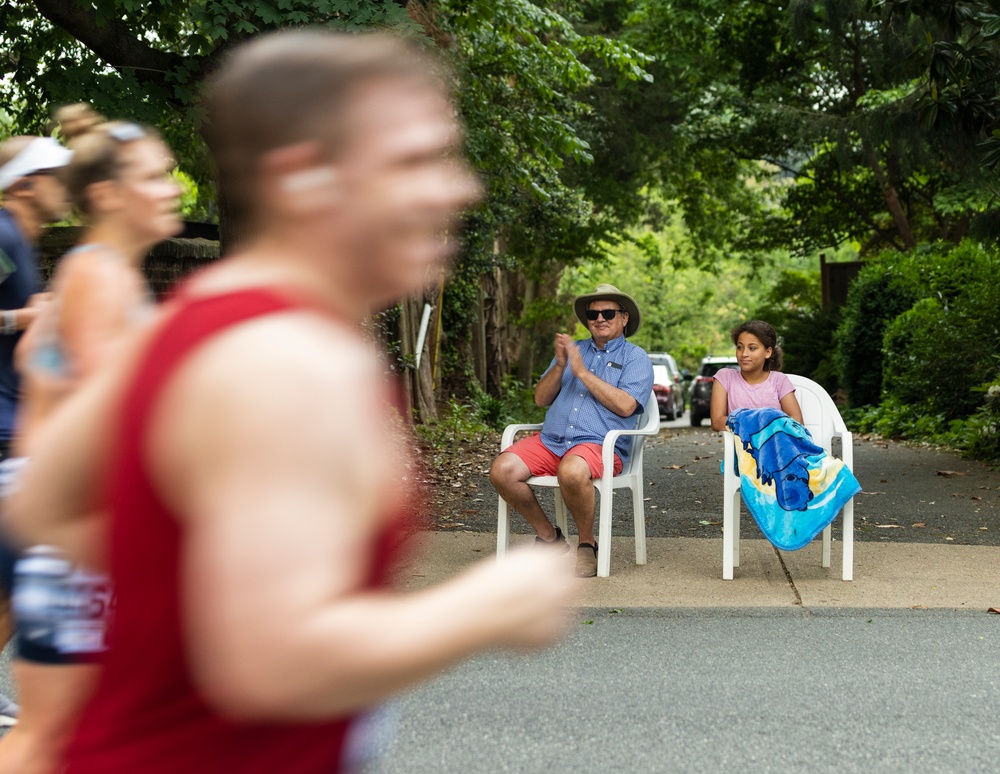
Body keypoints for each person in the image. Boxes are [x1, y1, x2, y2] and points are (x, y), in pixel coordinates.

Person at [6, 30, 577, 773]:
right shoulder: (294, 362)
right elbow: (271, 664)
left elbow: (42, 502)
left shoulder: (200, 311)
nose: (458, 189)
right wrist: (489, 603)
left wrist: (189, 585)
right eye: (412, 161)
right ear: (304, 178)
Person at [0, 114, 183, 774]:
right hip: (78, 539)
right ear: (106, 194)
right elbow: (117, 414)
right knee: (52, 737)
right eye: (154, 177)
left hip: (76, 530)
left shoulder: (103, 274)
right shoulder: (99, 274)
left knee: (79, 735)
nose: (172, 190)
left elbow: (34, 361)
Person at [490, 283, 654, 578]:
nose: (599, 318)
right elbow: (541, 399)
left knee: (573, 471)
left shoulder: (636, 358)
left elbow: (627, 406)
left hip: (599, 446)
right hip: (552, 441)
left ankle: (587, 545)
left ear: (624, 317)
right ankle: (550, 539)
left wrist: (581, 372)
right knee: (502, 469)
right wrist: (561, 366)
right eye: (593, 314)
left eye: (608, 312)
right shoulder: (573, 350)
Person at [0, 134, 73, 727]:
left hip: (16, 425)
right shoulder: (1, 232)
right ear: (26, 183)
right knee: (22, 564)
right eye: (56, 175)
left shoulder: (20, 241)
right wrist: (25, 316)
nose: (66, 187)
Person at [710, 319, 803, 431]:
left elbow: (797, 421)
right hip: (742, 447)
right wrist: (763, 423)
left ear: (768, 352)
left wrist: (747, 423)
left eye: (752, 348)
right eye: (740, 347)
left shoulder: (779, 380)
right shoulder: (725, 377)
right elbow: (717, 422)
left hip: (776, 445)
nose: (744, 354)